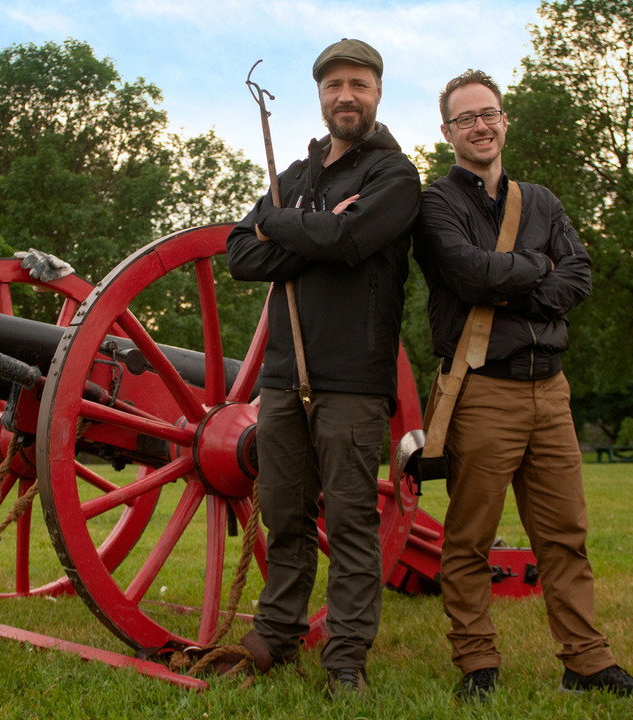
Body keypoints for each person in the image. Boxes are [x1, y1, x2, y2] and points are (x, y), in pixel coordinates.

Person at [412, 69, 633, 703]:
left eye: (489, 113)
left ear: (505, 121)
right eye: (466, 117)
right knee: (470, 538)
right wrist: (534, 270)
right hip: (483, 391)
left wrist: (516, 286)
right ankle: (477, 665)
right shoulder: (435, 205)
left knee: (564, 537)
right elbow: (470, 275)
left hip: (550, 391)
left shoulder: (543, 201)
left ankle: (586, 662)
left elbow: (578, 276)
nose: (480, 125)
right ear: (447, 132)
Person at [225, 38, 420, 697]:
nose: (346, 95)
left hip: (354, 381)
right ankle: (277, 637)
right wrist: (299, 226)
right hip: (282, 379)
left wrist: (279, 229)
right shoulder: (299, 181)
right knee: (283, 515)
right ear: (320, 94)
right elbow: (238, 255)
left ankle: (344, 662)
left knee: (351, 522)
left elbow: (351, 240)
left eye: (359, 84)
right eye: (335, 84)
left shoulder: (395, 177)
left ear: (377, 93)